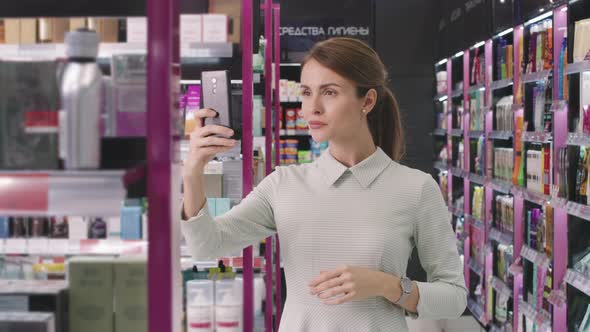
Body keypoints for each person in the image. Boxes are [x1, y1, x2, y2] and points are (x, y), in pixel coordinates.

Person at [181, 37, 467, 331]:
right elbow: (206, 246)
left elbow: (455, 298)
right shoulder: (283, 185)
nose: (312, 108)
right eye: (306, 92)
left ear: (367, 101)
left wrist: (387, 285)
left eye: (329, 92)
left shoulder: (416, 188)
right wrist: (192, 172)